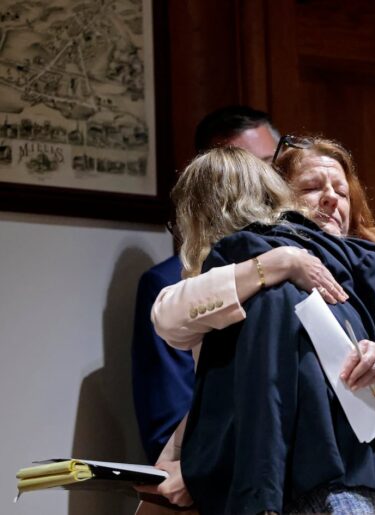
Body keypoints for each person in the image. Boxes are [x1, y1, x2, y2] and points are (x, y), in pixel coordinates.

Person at [173, 146, 375, 514]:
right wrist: (278, 262)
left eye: (342, 190)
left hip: (340, 474)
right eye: (314, 188)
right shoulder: (260, 268)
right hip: (346, 475)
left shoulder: (367, 271)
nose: (332, 199)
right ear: (279, 197)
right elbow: (170, 316)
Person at [131, 106, 281, 463]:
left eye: (270, 166)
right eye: (244, 173)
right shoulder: (168, 284)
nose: (264, 185)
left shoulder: (313, 260)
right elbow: (167, 423)